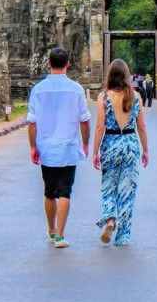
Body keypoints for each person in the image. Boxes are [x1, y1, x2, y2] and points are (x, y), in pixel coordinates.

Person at [27, 46, 90, 248]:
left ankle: (52, 230)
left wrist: (33, 147)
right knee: (65, 191)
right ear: (68, 64)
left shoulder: (38, 89)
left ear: (48, 63)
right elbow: (84, 120)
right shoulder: (76, 89)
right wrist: (85, 142)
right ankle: (60, 236)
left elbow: (32, 123)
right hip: (68, 147)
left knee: (49, 191)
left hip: (46, 147)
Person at [91, 59, 149, 246]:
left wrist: (95, 152)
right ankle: (123, 236)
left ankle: (109, 219)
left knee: (109, 185)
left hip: (111, 143)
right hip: (130, 144)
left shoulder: (103, 97)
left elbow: (100, 127)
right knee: (127, 192)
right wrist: (145, 150)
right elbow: (141, 127)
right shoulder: (136, 96)